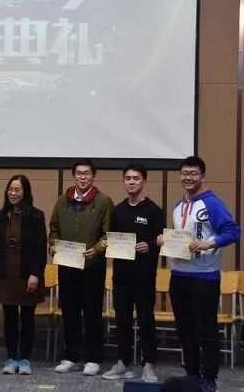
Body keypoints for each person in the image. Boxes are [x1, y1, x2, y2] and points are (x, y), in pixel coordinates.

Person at [156, 156, 241, 392]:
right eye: (184, 173)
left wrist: (209, 243)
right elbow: (181, 238)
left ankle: (209, 378)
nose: (188, 177)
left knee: (206, 330)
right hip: (179, 275)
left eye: (193, 173)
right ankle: (192, 374)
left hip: (205, 277)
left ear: (202, 175)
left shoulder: (212, 203)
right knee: (185, 329)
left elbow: (233, 231)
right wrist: (164, 240)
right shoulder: (179, 205)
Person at [48, 159, 114, 376]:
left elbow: (108, 233)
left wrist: (96, 249)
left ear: (93, 176)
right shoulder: (62, 201)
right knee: (70, 312)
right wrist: (53, 245)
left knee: (93, 313)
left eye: (87, 173)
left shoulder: (104, 201)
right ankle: (70, 357)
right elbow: (54, 229)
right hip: (67, 266)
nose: (82, 177)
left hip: (93, 267)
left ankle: (93, 358)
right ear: (73, 176)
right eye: (79, 173)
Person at [101, 163, 164, 383]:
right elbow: (112, 239)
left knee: (146, 321)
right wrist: (107, 243)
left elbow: (162, 242)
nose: (131, 182)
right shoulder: (118, 210)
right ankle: (123, 362)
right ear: (123, 181)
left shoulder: (154, 211)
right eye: (128, 178)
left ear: (144, 181)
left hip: (144, 277)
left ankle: (149, 364)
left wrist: (150, 245)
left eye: (136, 178)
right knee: (122, 321)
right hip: (121, 276)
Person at [0, 175, 47, 375]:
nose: (13, 193)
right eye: (10, 189)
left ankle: (25, 359)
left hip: (27, 275)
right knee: (10, 317)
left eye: (17, 190)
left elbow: (40, 248)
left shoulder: (36, 216)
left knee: (27, 318)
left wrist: (35, 274)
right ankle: (11, 358)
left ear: (25, 192)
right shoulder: (0, 216)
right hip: (6, 274)